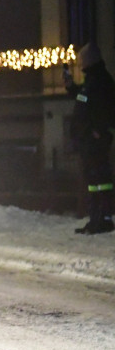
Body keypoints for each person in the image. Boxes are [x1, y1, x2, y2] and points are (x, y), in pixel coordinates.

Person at [64, 41, 115, 234]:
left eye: (82, 59)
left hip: (95, 139)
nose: (79, 63)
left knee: (100, 179)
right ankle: (96, 218)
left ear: (89, 60)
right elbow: (84, 100)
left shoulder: (100, 81)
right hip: (89, 139)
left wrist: (99, 131)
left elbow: (104, 108)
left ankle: (104, 218)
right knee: (93, 182)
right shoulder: (92, 80)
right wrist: (72, 88)